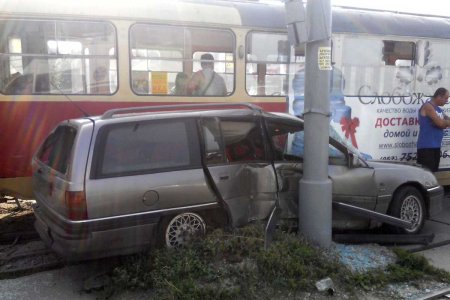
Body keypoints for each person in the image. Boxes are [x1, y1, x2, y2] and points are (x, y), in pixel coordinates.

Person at [417, 87, 450, 172]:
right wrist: (442, 123)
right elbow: (441, 123)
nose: (447, 101)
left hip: (436, 146)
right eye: (446, 98)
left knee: (433, 174)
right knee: (426, 176)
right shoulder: (428, 106)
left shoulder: (439, 110)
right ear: (439, 97)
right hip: (426, 147)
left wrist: (442, 123)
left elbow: (444, 123)